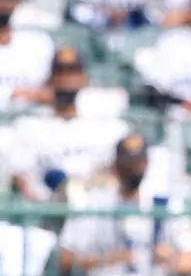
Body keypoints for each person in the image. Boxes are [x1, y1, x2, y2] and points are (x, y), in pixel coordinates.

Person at [58, 132, 191, 276]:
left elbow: (190, 260)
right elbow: (65, 258)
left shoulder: (163, 202)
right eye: (128, 163)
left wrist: (170, 258)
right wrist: (105, 259)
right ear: (116, 165)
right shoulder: (96, 202)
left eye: (138, 163)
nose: (134, 169)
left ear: (147, 164)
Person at [12, 46, 128, 204]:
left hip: (95, 207)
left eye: (73, 71)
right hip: (47, 211)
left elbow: (116, 174)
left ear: (84, 77)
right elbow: (22, 176)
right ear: (50, 78)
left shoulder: (105, 124)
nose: (66, 79)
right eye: (60, 71)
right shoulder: (29, 124)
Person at [0, 0, 54, 111]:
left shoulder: (39, 43)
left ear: (16, 0)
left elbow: (53, 92)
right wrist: (13, 94)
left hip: (32, 125)